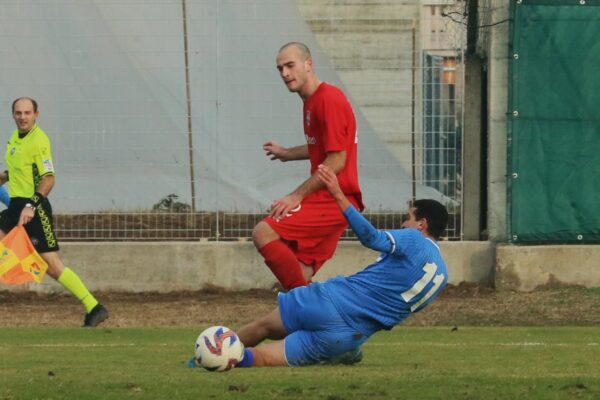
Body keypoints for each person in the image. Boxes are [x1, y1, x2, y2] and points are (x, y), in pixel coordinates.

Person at [232, 164, 448, 367]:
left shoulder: (414, 238)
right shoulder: (442, 276)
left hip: (326, 302)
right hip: (347, 336)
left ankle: (209, 355)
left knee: (263, 327)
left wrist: (337, 194)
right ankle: (344, 352)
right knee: (260, 358)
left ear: (422, 224)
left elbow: (372, 238)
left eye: (408, 218)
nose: (403, 223)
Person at [253, 42, 364, 291]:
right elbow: (324, 148)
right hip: (333, 197)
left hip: (333, 198)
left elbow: (337, 159)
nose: (285, 74)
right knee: (298, 272)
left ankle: (305, 308)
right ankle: (317, 320)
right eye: (280, 69)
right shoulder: (312, 101)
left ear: (308, 64)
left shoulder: (328, 100)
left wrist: (296, 196)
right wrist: (286, 153)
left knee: (263, 232)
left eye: (290, 66)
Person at [0, 97, 108, 327]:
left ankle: (94, 307)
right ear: (13, 115)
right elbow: (18, 171)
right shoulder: (15, 139)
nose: (23, 117)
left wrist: (31, 206)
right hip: (15, 207)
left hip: (34, 209)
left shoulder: (39, 141)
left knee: (52, 265)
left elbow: (48, 178)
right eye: (18, 113)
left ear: (36, 114)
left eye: (27, 113)